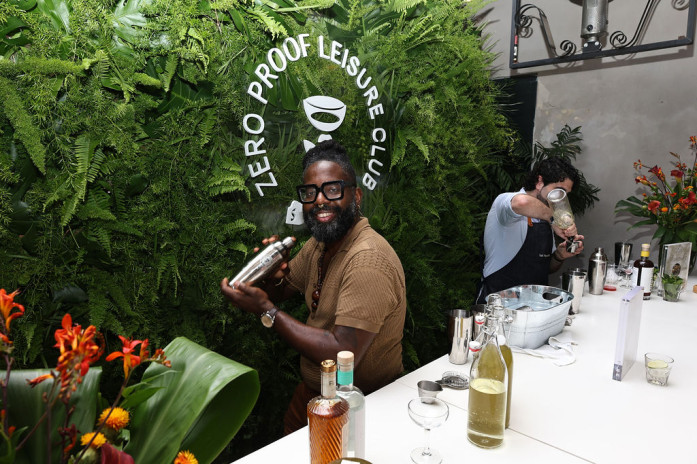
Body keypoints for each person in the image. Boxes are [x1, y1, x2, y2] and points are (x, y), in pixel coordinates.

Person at [220, 140, 406, 434]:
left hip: (360, 409)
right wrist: (270, 274)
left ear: (355, 196)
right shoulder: (320, 244)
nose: (319, 200)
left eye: (332, 189)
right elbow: (282, 289)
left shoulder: (368, 260)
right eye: (310, 192)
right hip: (314, 398)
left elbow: (343, 353)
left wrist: (267, 312)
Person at [477, 157, 585, 303]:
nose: (561, 199)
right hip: (498, 308)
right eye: (559, 191)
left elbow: (545, 268)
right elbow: (522, 202)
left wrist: (560, 256)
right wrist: (555, 219)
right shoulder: (505, 202)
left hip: (535, 308)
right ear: (540, 181)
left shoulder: (546, 219)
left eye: (565, 194)